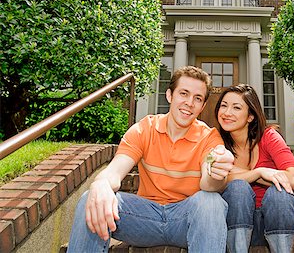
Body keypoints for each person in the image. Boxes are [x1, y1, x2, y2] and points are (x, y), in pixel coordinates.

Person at [67, 66, 235, 252]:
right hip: (144, 219)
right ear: (170, 95)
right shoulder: (144, 129)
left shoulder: (209, 137)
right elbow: (114, 172)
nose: (189, 103)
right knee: (91, 198)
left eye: (197, 98)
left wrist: (215, 173)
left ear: (203, 106)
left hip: (186, 220)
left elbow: (208, 184)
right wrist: (100, 184)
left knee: (211, 202)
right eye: (184, 94)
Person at [215, 84, 294, 253]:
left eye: (236, 107)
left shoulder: (268, 137)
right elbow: (220, 181)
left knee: (280, 193)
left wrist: (242, 174)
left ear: (250, 116)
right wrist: (260, 172)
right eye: (223, 105)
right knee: (238, 188)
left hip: (273, 223)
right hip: (235, 223)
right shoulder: (216, 142)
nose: (227, 113)